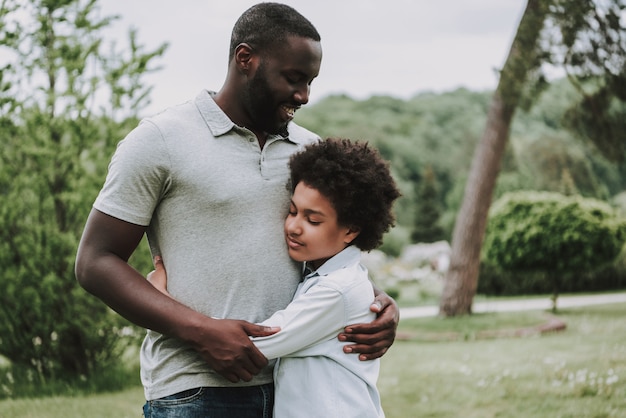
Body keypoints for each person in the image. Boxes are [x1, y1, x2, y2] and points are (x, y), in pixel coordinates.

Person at [75, 3, 399, 417]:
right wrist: (199, 331)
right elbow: (94, 262)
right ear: (246, 59)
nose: (303, 96)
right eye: (294, 79)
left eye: (310, 82)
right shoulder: (159, 141)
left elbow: (329, 246)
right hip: (196, 393)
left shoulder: (311, 153)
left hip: (294, 389)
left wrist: (375, 304)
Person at [148, 138, 401, 417]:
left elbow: (249, 345)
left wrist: (161, 298)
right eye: (292, 211)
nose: (293, 227)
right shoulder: (325, 276)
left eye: (313, 220)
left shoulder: (336, 290)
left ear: (351, 230)